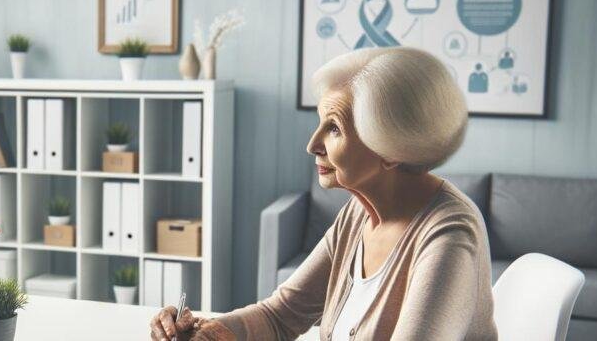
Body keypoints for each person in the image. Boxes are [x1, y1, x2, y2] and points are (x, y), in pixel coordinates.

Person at [150, 47, 497, 340]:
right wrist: (206, 332)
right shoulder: (359, 214)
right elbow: (280, 315)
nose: (312, 144)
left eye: (334, 128)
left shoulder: (448, 237)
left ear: (392, 148)